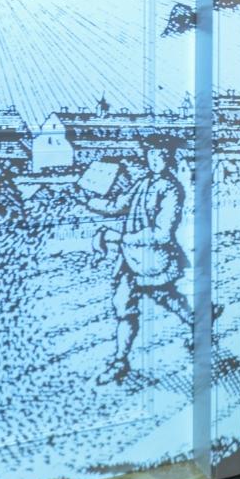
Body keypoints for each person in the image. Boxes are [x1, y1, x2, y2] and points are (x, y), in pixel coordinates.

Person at [86, 136, 212, 385]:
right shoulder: (143, 182)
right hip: (130, 259)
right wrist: (90, 202)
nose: (155, 160)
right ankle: (120, 361)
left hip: (154, 261)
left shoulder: (171, 189)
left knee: (167, 298)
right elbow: (118, 204)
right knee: (124, 306)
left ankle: (201, 323)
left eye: (160, 155)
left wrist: (120, 237)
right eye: (151, 155)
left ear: (169, 158)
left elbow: (162, 234)